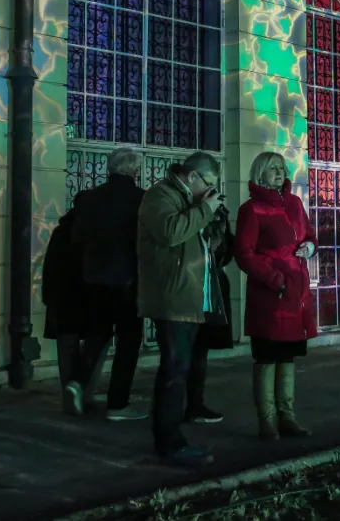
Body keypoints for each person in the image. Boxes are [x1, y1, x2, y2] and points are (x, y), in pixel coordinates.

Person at [136, 152, 225, 468]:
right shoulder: (160, 195)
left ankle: (173, 437)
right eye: (209, 182)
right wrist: (204, 209)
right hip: (172, 295)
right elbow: (170, 232)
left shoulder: (192, 200)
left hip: (192, 295)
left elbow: (203, 244)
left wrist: (214, 222)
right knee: (174, 369)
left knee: (181, 367)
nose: (211, 190)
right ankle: (169, 443)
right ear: (192, 176)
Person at [232, 151, 317, 440]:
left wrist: (309, 247)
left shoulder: (294, 203)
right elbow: (244, 253)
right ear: (260, 173)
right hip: (270, 294)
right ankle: (267, 420)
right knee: (267, 357)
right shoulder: (252, 209)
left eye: (281, 167)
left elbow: (310, 235)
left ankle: (287, 416)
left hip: (294, 293)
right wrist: (274, 279)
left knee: (287, 357)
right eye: (272, 168)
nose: (279, 172)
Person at [66, 147, 146, 421]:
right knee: (128, 341)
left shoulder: (90, 198)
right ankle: (117, 403)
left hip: (94, 278)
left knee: (97, 335)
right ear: (134, 170)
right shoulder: (141, 199)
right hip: (128, 280)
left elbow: (77, 239)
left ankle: (77, 380)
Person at [41, 206, 104, 415]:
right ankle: (85, 393)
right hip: (90, 297)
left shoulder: (62, 231)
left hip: (63, 299)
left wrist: (49, 298)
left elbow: (50, 266)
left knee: (67, 346)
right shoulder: (96, 231)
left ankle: (69, 392)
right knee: (95, 345)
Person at [186, 202, 234, 425]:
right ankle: (187, 406)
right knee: (185, 352)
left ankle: (194, 404)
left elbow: (227, 250)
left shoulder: (218, 212)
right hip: (191, 286)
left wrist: (219, 244)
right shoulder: (186, 209)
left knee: (199, 350)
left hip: (210, 285)